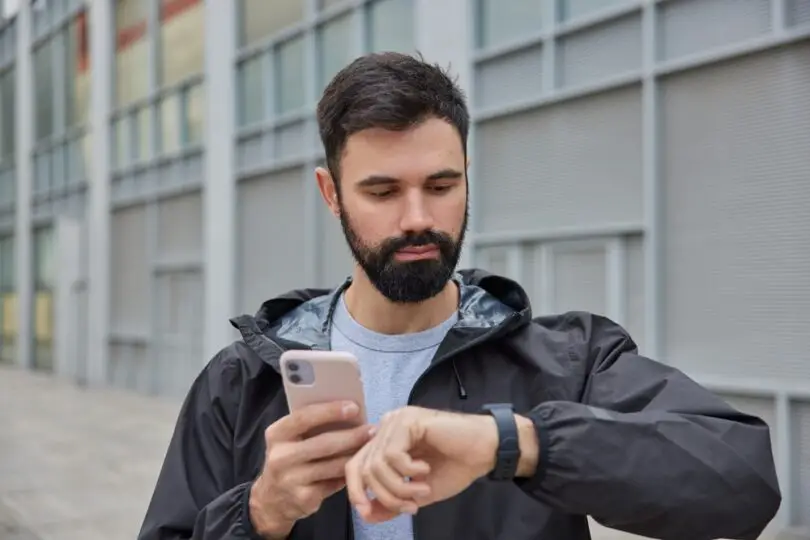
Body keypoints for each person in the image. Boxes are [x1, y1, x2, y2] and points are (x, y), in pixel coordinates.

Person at [138, 52, 781, 540]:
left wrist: (514, 443)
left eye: (441, 185)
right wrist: (258, 512)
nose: (417, 217)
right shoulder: (242, 381)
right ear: (330, 193)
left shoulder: (567, 359)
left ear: (468, 178)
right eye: (383, 192)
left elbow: (744, 482)